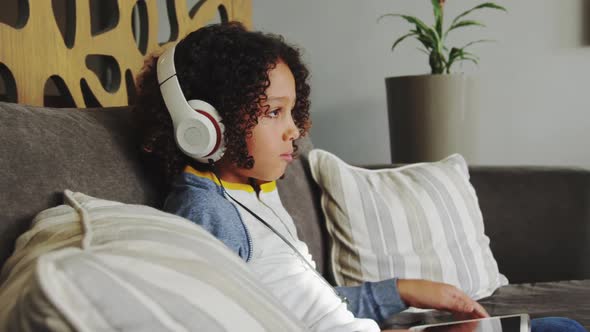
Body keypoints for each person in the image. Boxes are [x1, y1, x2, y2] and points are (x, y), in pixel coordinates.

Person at [134, 22, 586, 332]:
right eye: (274, 111)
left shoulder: (254, 191)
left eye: (293, 110)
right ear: (202, 125)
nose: (296, 129)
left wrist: (404, 290)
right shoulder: (206, 212)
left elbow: (311, 306)